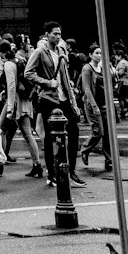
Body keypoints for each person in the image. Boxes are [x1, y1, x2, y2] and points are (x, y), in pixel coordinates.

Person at [24, 22, 85, 188]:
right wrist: (47, 83)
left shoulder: (61, 51)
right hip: (48, 99)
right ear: (47, 34)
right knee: (51, 138)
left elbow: (65, 78)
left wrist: (73, 101)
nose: (58, 37)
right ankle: (52, 174)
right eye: (54, 34)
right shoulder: (39, 52)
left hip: (63, 98)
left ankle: (70, 171)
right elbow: (28, 73)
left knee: (73, 132)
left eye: (59, 34)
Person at [0, 38, 41, 176]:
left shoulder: (8, 64)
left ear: (1, 52)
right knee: (26, 133)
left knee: (1, 131)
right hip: (23, 100)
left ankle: (0, 163)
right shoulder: (18, 60)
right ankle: (36, 164)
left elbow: (11, 86)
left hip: (15, 102)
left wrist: (10, 107)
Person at [78, 47, 112, 172]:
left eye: (101, 53)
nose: (99, 55)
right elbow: (87, 89)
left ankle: (109, 160)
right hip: (92, 104)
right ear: (90, 55)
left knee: (108, 134)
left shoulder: (102, 68)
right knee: (98, 132)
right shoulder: (87, 68)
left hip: (104, 104)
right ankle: (85, 149)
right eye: (96, 53)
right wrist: (94, 106)